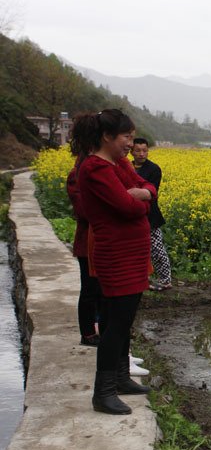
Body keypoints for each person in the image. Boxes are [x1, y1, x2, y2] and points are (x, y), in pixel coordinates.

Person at [71, 109, 157, 415]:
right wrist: (140, 199)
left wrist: (140, 194)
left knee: (124, 317)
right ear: (107, 136)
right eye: (127, 137)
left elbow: (148, 189)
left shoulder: (117, 163)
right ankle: (103, 391)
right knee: (115, 321)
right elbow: (127, 207)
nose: (131, 145)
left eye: (133, 138)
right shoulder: (95, 168)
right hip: (115, 254)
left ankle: (121, 378)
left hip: (132, 252)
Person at [66, 156, 101, 346]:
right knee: (89, 289)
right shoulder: (76, 176)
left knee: (102, 291)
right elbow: (84, 211)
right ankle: (87, 334)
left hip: (103, 241)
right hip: (86, 242)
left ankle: (99, 329)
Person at [131, 138, 172, 291]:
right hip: (132, 214)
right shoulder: (127, 167)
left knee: (156, 248)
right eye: (138, 151)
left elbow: (151, 193)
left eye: (144, 150)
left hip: (150, 215)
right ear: (131, 151)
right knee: (136, 249)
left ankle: (165, 280)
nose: (141, 154)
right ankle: (141, 279)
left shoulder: (154, 169)